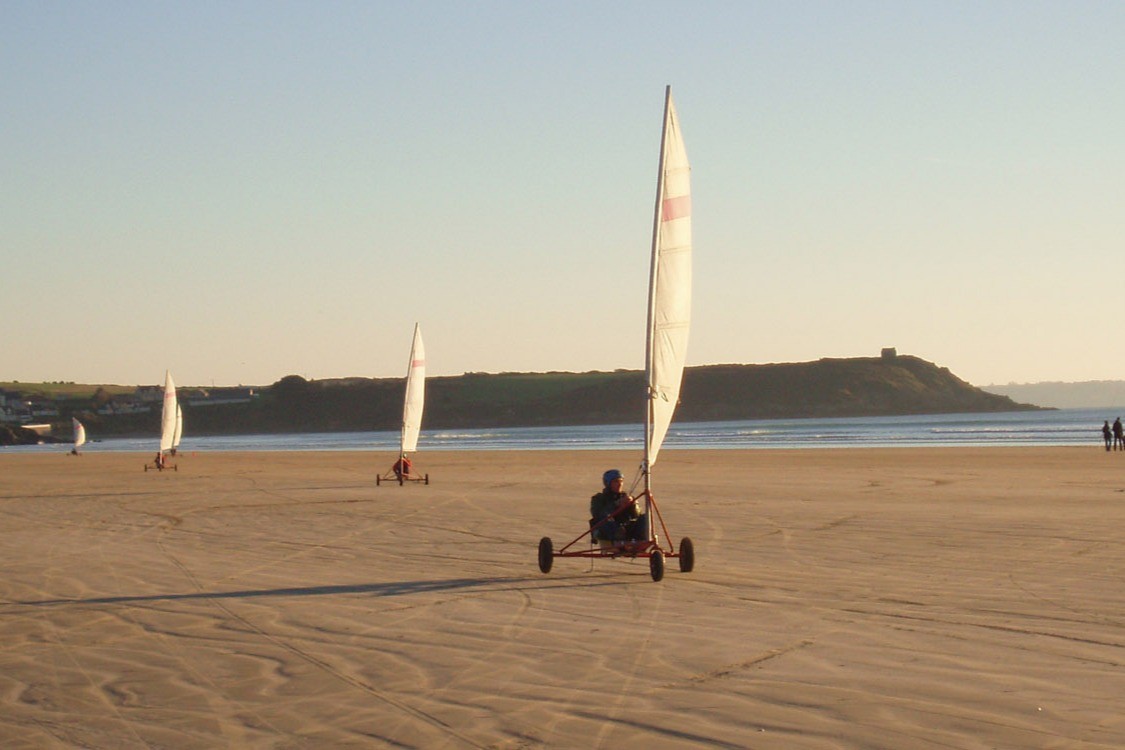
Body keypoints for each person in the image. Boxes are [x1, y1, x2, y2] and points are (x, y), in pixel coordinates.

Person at [590, 469, 646, 543]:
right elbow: (598, 514)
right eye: (616, 481)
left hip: (626, 528)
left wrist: (633, 505)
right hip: (607, 531)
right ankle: (618, 536)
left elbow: (636, 515)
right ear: (608, 483)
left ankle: (640, 541)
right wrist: (616, 504)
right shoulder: (599, 498)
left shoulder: (626, 497)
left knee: (645, 517)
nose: (620, 484)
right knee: (606, 518)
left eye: (621, 481)